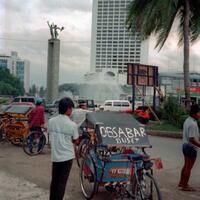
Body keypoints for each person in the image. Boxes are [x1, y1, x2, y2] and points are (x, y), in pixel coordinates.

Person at [48, 97, 79, 200]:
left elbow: (50, 133)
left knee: (54, 181)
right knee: (62, 183)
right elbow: (76, 140)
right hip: (67, 157)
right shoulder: (72, 125)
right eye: (71, 108)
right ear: (68, 109)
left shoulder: (51, 121)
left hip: (55, 157)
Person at [178, 104, 200, 191]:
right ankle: (185, 185)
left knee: (186, 166)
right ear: (194, 114)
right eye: (199, 112)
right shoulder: (193, 124)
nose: (199, 114)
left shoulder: (188, 120)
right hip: (190, 147)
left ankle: (181, 182)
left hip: (185, 146)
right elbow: (192, 139)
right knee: (188, 167)